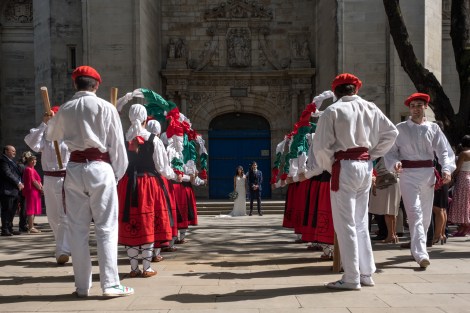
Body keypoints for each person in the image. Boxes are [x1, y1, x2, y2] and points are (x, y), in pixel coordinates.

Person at [46, 65, 134, 297]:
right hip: (100, 168)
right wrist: (115, 175)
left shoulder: (65, 109)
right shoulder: (106, 107)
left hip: (74, 170)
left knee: (77, 229)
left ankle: (82, 286)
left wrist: (51, 120)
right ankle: (110, 284)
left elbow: (51, 136)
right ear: (96, 85)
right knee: (106, 227)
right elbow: (118, 147)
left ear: (75, 84)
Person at [313, 73, 398, 290]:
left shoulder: (332, 110)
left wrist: (330, 164)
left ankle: (351, 277)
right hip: (365, 166)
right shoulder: (370, 107)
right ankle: (367, 273)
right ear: (356, 90)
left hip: (344, 166)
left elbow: (321, 146)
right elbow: (391, 132)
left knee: (346, 223)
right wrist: (372, 155)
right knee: (361, 222)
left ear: (336, 92)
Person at [384, 92, 455, 270]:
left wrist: (446, 169)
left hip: (428, 174)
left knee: (424, 216)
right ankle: (421, 253)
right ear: (409, 108)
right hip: (408, 174)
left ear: (425, 107)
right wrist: (395, 163)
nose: (416, 108)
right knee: (414, 213)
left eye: (419, 105)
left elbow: (444, 151)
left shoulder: (433, 128)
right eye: (413, 105)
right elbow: (390, 151)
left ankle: (419, 247)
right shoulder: (399, 128)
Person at [117, 104, 182, 278]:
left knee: (130, 221)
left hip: (128, 184)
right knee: (148, 222)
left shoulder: (123, 139)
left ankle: (133, 268)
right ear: (146, 118)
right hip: (148, 184)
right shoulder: (154, 140)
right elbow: (162, 167)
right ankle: (146, 267)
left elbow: (119, 166)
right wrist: (174, 176)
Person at [24, 106, 71, 264]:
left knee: (64, 215)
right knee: (52, 216)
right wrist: (43, 124)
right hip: (49, 178)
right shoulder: (45, 135)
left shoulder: (68, 134)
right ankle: (62, 244)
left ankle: (62, 250)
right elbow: (31, 143)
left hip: (64, 177)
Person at [369, 157, 401, 243]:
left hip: (387, 183)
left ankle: (391, 235)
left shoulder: (384, 157)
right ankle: (393, 235)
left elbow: (381, 172)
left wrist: (375, 184)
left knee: (388, 211)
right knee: (393, 211)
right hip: (394, 181)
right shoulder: (392, 156)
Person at [448, 135, 470, 236]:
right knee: (467, 203)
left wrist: (451, 176)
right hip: (469, 177)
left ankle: (466, 225)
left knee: (461, 203)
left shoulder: (463, 153)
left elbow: (457, 168)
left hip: (462, 179)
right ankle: (463, 227)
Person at [0, 145, 24, 236]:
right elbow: (7, 174)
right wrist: (18, 183)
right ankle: (5, 229)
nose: (15, 152)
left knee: (12, 210)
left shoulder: (11, 162)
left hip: (14, 191)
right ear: (6, 151)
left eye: (15, 151)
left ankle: (10, 228)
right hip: (7, 190)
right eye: (12, 151)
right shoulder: (3, 161)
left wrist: (21, 182)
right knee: (7, 210)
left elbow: (17, 173)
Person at [21, 152, 43, 234]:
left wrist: (41, 187)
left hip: (35, 191)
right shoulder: (28, 169)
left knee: (33, 209)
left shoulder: (32, 169)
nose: (34, 162)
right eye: (32, 160)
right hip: (31, 191)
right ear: (28, 161)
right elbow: (33, 181)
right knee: (31, 209)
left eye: (35, 160)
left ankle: (31, 226)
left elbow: (38, 180)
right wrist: (41, 189)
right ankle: (31, 227)